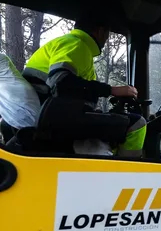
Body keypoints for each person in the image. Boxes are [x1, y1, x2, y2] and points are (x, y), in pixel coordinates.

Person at [23, 13, 146, 156]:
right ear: (100, 31)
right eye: (107, 34)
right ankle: (129, 173)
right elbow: (60, 81)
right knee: (137, 124)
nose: (106, 39)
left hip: (55, 116)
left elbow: (77, 90)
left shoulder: (71, 44)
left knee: (113, 133)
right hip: (57, 119)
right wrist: (112, 90)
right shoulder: (77, 44)